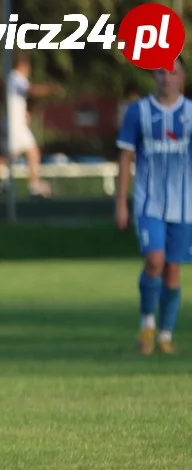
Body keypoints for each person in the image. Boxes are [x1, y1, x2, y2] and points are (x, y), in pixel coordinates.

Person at [115, 57, 192, 355]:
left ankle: (165, 334)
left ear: (182, 77)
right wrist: (121, 202)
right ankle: (147, 324)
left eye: (173, 72)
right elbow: (125, 158)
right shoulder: (138, 112)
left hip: (185, 207)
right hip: (149, 204)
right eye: (161, 72)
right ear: (154, 76)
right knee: (155, 261)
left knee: (173, 271)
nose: (167, 78)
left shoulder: (190, 113)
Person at [0, 53, 63, 198]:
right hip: (14, 125)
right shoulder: (16, 78)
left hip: (16, 124)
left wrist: (25, 113)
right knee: (18, 154)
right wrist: (51, 88)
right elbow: (31, 91)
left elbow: (19, 100)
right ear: (23, 66)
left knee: (26, 153)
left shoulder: (14, 80)